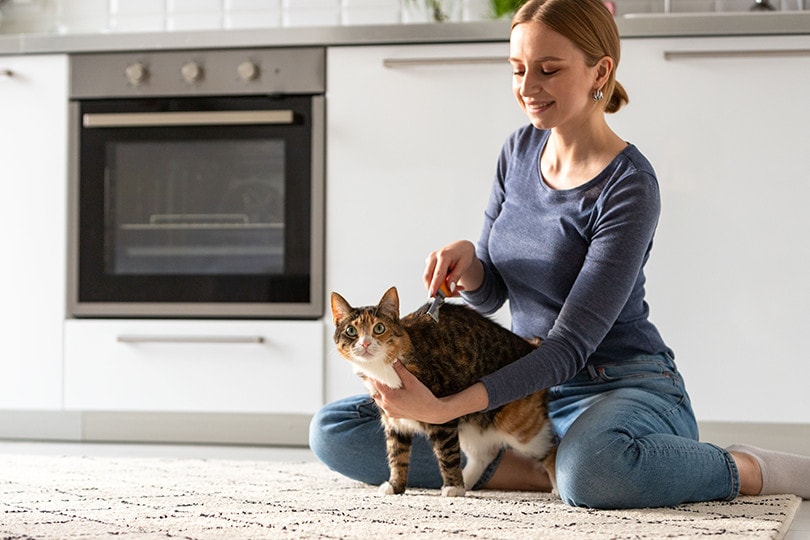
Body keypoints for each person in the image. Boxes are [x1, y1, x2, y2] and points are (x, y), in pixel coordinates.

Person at [310, 0, 810, 508]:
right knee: (334, 430)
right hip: (526, 387)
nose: (528, 88)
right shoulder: (519, 150)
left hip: (617, 382)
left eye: (548, 70)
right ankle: (542, 469)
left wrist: (444, 409)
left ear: (601, 70)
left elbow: (569, 347)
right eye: (518, 69)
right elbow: (493, 296)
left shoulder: (629, 185)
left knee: (595, 473)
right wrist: (473, 265)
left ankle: (744, 468)